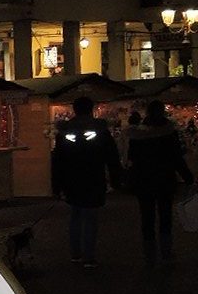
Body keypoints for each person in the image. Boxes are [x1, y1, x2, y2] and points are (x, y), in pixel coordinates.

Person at [51, 96, 121, 268]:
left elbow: (58, 161)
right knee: (90, 217)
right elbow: (112, 157)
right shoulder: (101, 131)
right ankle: (88, 257)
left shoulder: (64, 133)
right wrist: (116, 179)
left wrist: (57, 186)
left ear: (74, 110)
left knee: (75, 215)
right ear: (91, 109)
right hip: (93, 178)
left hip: (71, 180)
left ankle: (75, 253)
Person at [127, 99, 194, 264]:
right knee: (165, 216)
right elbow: (176, 157)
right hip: (165, 178)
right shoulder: (169, 132)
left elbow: (132, 158)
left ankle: (149, 253)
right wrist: (188, 177)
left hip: (144, 179)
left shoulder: (138, 134)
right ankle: (166, 251)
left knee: (147, 217)